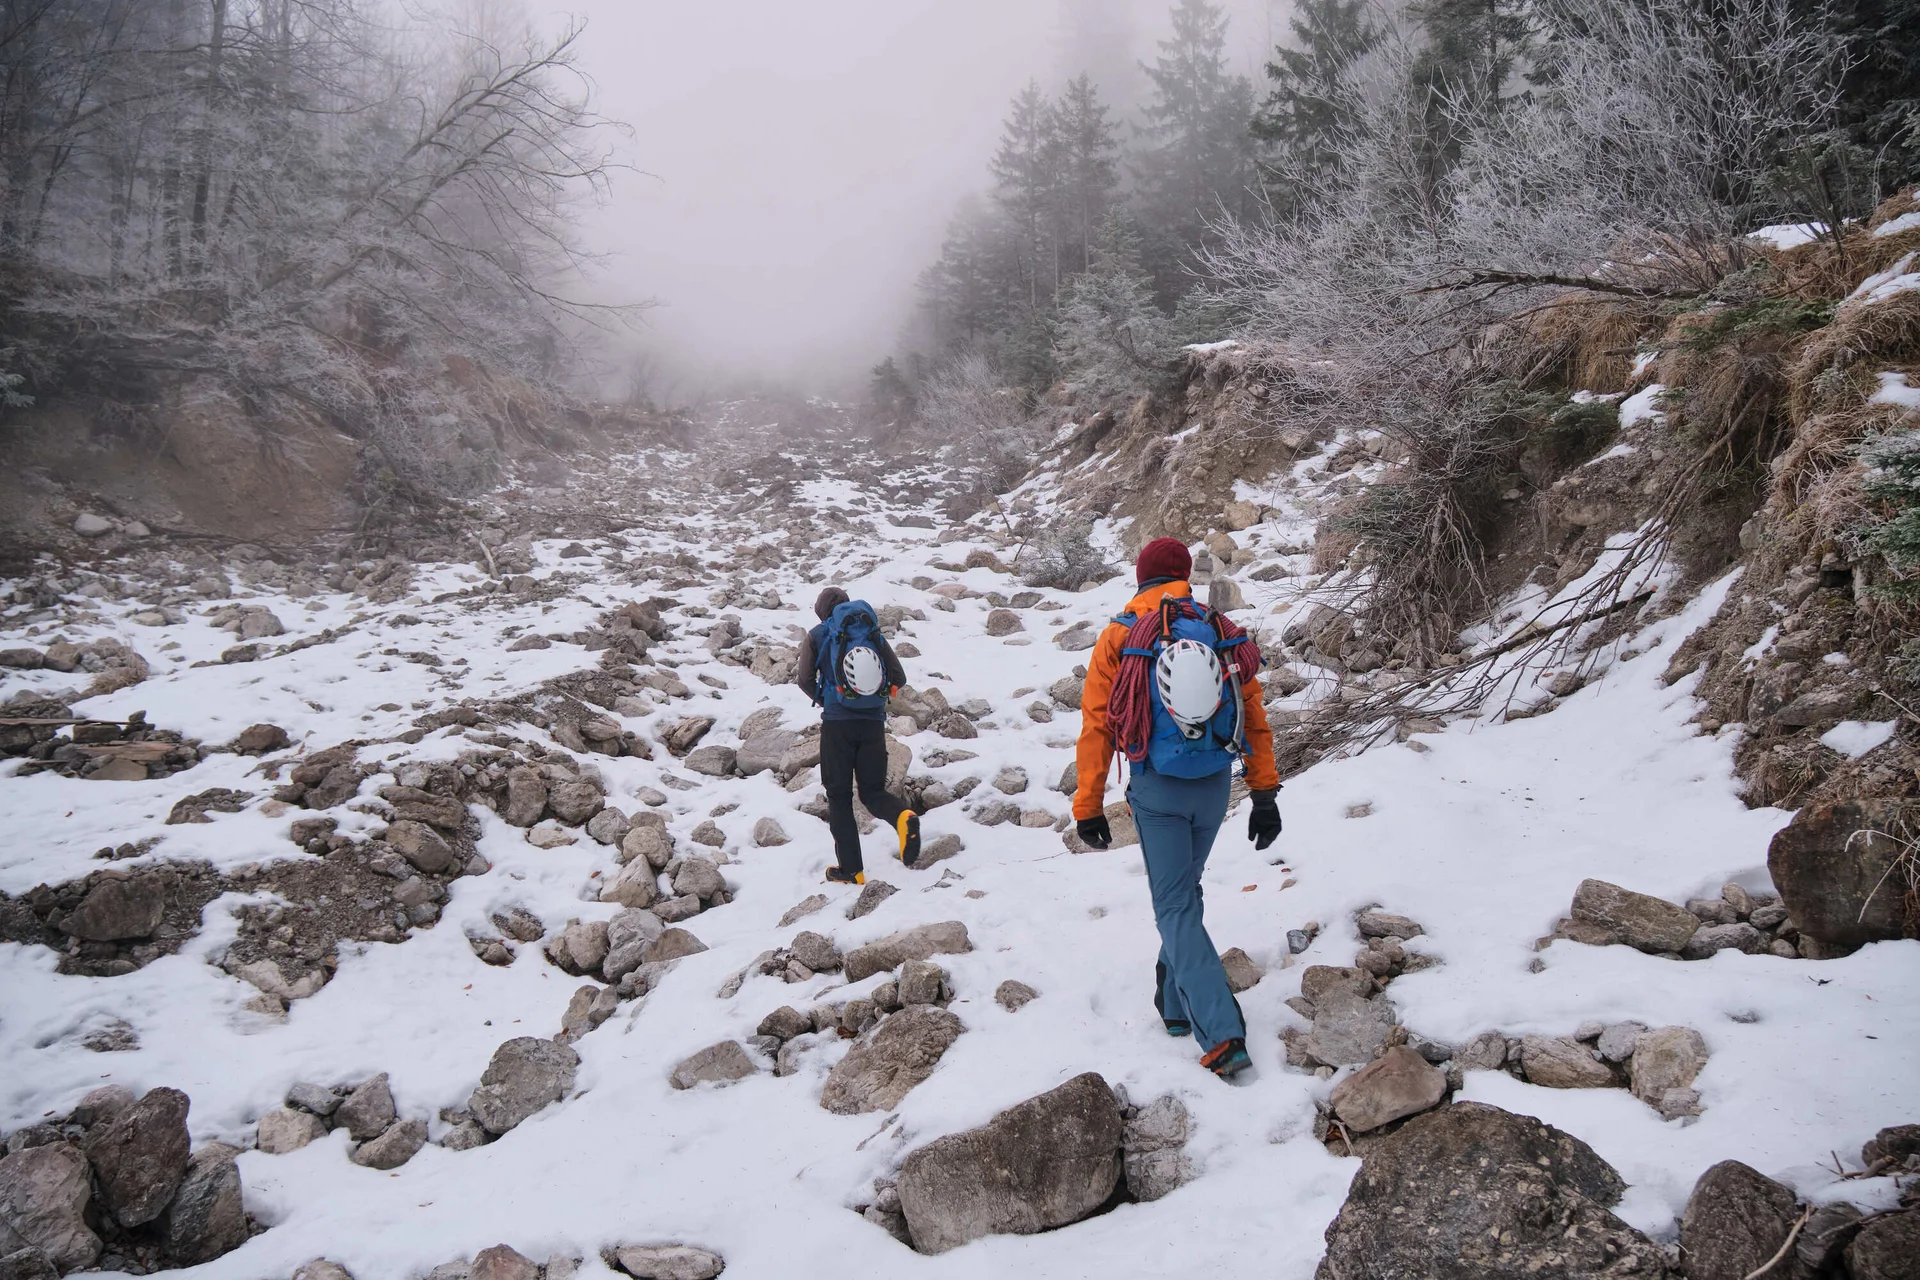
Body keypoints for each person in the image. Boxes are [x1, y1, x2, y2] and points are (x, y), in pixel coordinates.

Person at [1072, 537, 1284, 1079]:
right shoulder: (1218, 630)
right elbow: (1253, 716)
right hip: (1214, 785)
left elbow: (1097, 725)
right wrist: (1263, 793)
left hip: (1156, 788)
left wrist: (1088, 805)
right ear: (1185, 575)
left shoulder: (1121, 635)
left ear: (1140, 577)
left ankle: (1222, 1033)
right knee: (1184, 893)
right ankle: (1174, 1006)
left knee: (1173, 905)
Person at [797, 586, 920, 885]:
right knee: (872, 793)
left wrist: (830, 701)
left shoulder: (817, 634)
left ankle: (851, 870)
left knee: (839, 797)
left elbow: (803, 680)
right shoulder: (870, 631)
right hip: (873, 724)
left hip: (837, 727)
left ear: (820, 610)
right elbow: (899, 677)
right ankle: (903, 817)